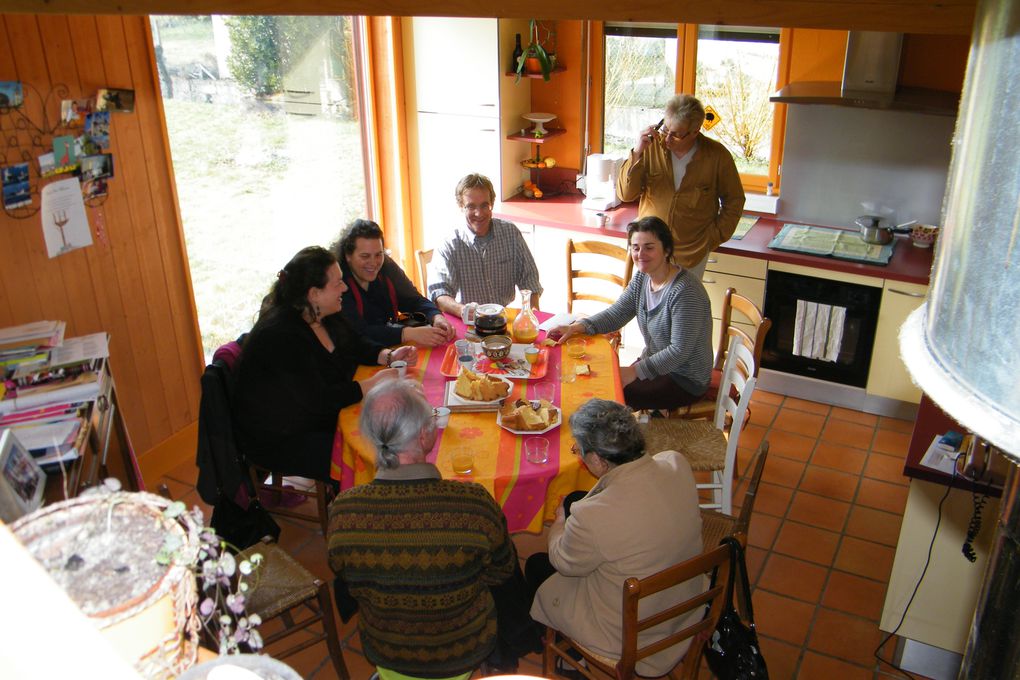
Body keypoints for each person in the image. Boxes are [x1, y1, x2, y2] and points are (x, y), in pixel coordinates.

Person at [327, 380, 538, 677]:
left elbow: (345, 577)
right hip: (464, 650)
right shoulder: (473, 504)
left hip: (386, 652)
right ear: (426, 434)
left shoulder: (344, 511)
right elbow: (502, 574)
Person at [526, 398, 703, 677]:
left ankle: (572, 655)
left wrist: (560, 522)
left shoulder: (594, 516)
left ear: (597, 459)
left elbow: (562, 561)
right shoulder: (676, 463)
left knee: (538, 565)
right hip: (683, 604)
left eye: (579, 451)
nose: (580, 457)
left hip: (633, 631)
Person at [233, 246, 416, 482]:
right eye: (338, 282)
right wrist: (369, 385)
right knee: (380, 449)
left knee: (391, 423)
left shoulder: (321, 313)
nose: (345, 287)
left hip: (318, 416)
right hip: (284, 437)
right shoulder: (281, 336)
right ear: (314, 293)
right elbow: (317, 400)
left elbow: (355, 342)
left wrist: (387, 356)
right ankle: (363, 505)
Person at [551, 216, 712, 411]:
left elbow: (678, 352)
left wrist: (635, 371)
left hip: (684, 378)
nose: (641, 254)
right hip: (656, 364)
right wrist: (579, 326)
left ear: (667, 250)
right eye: (635, 247)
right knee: (598, 379)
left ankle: (619, 436)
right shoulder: (643, 278)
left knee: (609, 394)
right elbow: (617, 314)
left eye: (649, 247)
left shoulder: (685, 292)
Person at [617, 93, 745, 280]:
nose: (667, 139)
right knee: (648, 307)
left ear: (695, 131)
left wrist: (714, 236)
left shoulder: (717, 156)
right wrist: (637, 153)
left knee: (684, 307)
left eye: (675, 134)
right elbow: (625, 194)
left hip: (692, 252)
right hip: (649, 249)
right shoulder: (650, 147)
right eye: (665, 129)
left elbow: (735, 200)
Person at [429, 173, 543, 316]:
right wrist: (463, 310)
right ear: (461, 206)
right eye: (471, 207)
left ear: (492, 204)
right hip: (465, 319)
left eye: (484, 205)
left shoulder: (510, 232)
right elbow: (439, 293)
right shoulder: (449, 243)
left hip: (502, 316)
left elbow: (529, 278)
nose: (479, 213)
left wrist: (532, 312)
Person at [334, 218, 455, 347]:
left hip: (392, 347)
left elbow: (413, 299)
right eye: (365, 256)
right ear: (348, 255)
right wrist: (408, 333)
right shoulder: (338, 284)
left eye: (378, 254)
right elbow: (358, 332)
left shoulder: (387, 266)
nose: (374, 263)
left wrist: (436, 316)